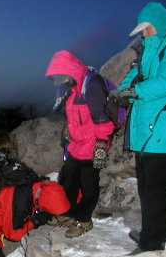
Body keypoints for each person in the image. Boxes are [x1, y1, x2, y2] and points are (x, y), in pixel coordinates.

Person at [109, 3, 166, 254]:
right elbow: (135, 78)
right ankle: (151, 233)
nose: (144, 34)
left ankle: (152, 244)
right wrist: (120, 93)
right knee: (147, 189)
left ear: (160, 24)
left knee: (154, 191)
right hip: (149, 132)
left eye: (147, 29)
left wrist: (136, 92)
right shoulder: (148, 52)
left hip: (163, 132)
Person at [45, 50, 116, 238]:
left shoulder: (91, 86)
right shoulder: (74, 88)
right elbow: (74, 117)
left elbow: (104, 118)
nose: (62, 81)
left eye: (62, 77)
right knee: (68, 181)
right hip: (77, 145)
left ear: (70, 71)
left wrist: (101, 144)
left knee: (88, 186)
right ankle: (67, 215)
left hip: (93, 145)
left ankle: (84, 220)